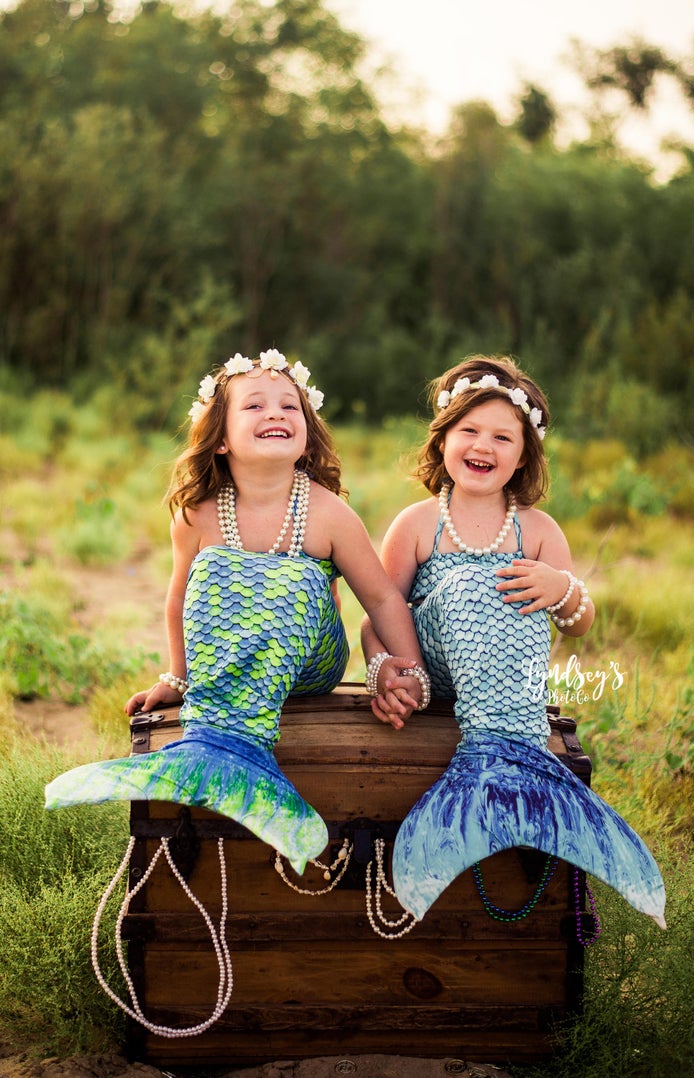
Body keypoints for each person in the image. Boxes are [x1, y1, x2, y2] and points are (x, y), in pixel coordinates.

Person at [45, 349, 428, 876]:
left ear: (307, 433)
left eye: (289, 406)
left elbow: (382, 597)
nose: (275, 413)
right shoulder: (199, 513)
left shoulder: (328, 514)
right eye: (255, 405)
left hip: (306, 664)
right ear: (221, 437)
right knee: (214, 570)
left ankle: (242, 750)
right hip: (223, 667)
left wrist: (407, 670)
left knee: (289, 576)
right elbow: (180, 597)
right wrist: (177, 677)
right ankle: (208, 749)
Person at [361, 354, 666, 928]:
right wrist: (384, 670)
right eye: (469, 431)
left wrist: (562, 589)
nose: (484, 445)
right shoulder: (417, 523)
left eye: (503, 437)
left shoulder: (540, 530)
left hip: (506, 682)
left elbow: (580, 624)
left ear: (523, 455)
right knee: (473, 583)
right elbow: (378, 615)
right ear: (444, 439)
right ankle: (495, 758)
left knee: (521, 586)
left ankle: (511, 761)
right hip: (436, 670)